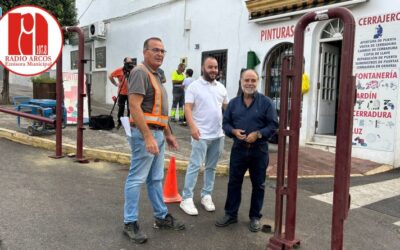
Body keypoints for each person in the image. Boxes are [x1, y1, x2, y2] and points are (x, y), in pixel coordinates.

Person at [124, 37, 185, 244]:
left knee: (155, 179)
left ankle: (161, 216)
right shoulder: (140, 72)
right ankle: (129, 222)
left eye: (162, 51)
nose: (160, 54)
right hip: (145, 135)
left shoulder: (156, 75)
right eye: (155, 50)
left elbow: (159, 111)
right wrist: (148, 136)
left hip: (156, 133)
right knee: (136, 178)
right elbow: (134, 106)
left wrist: (167, 133)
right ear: (145, 52)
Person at [215, 69, 278, 232]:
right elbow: (226, 123)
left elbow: (273, 125)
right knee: (234, 182)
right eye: (247, 80)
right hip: (239, 149)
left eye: (253, 80)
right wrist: (233, 132)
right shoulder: (233, 103)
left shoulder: (266, 103)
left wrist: (258, 134)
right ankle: (231, 214)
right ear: (241, 81)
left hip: (259, 151)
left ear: (258, 82)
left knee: (259, 185)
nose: (250, 83)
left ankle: (255, 216)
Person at [180, 57, 229, 216]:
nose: (214, 70)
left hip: (218, 135)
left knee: (211, 167)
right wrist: (192, 127)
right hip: (200, 134)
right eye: (210, 67)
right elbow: (187, 108)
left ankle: (206, 195)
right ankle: (186, 198)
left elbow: (227, 109)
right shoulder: (194, 87)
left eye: (215, 67)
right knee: (195, 165)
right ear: (203, 68)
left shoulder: (221, 87)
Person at [108, 57, 134, 129]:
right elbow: (110, 76)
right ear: (124, 62)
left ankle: (129, 122)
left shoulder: (133, 70)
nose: (130, 64)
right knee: (121, 108)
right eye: (128, 63)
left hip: (131, 93)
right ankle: (120, 122)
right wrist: (116, 84)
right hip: (121, 93)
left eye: (131, 62)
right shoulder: (119, 70)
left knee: (130, 109)